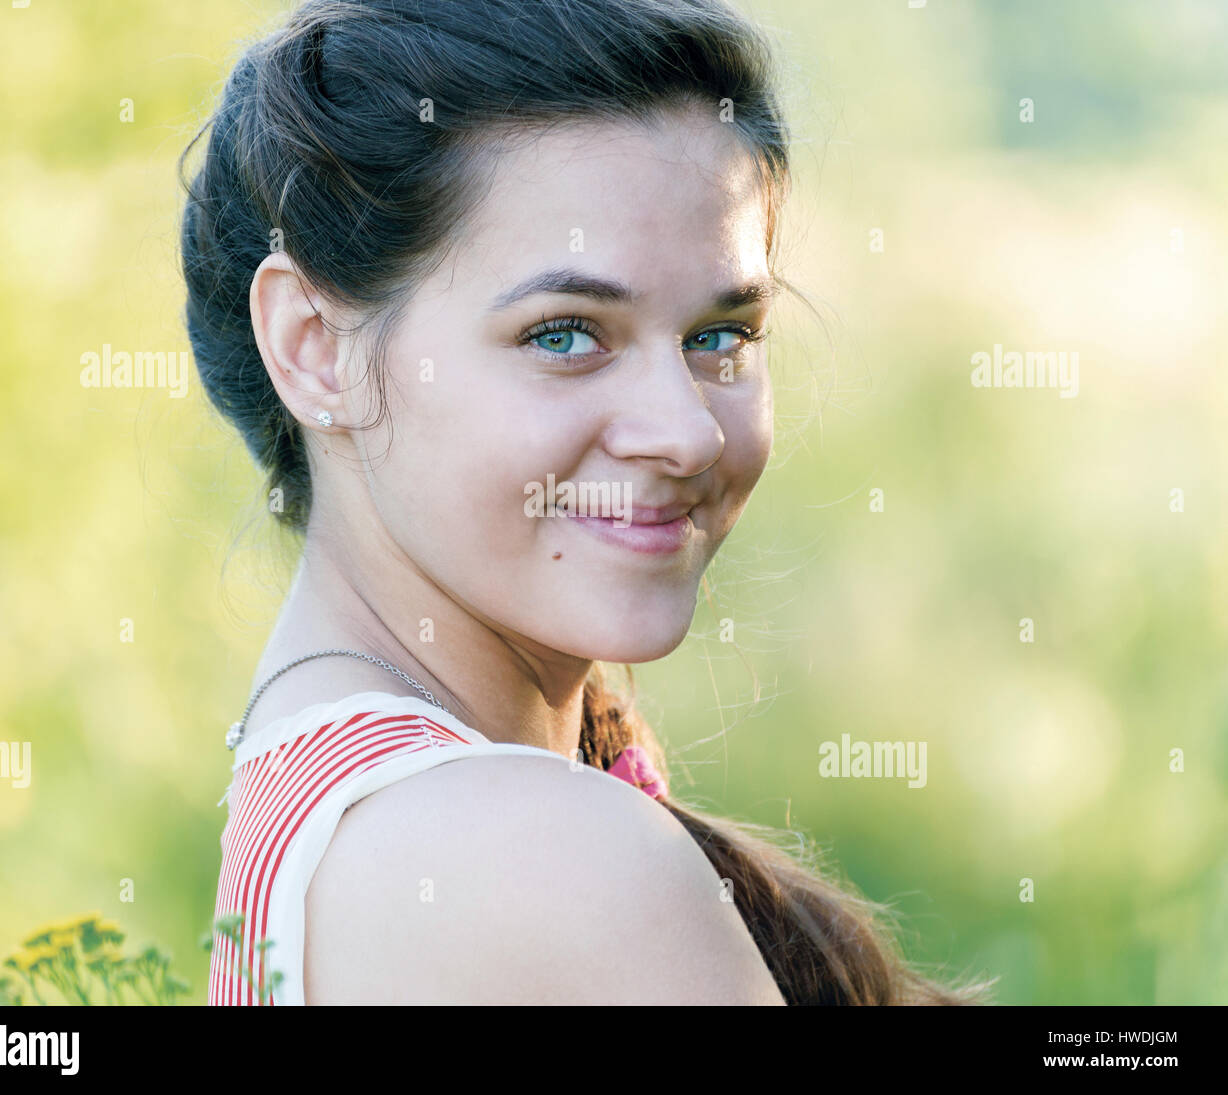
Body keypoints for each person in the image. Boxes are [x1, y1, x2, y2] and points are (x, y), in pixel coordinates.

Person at [180, 0, 990, 1005]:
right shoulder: (545, 857)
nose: (686, 431)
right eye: (564, 334)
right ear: (314, 347)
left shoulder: (321, 817)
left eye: (719, 336)